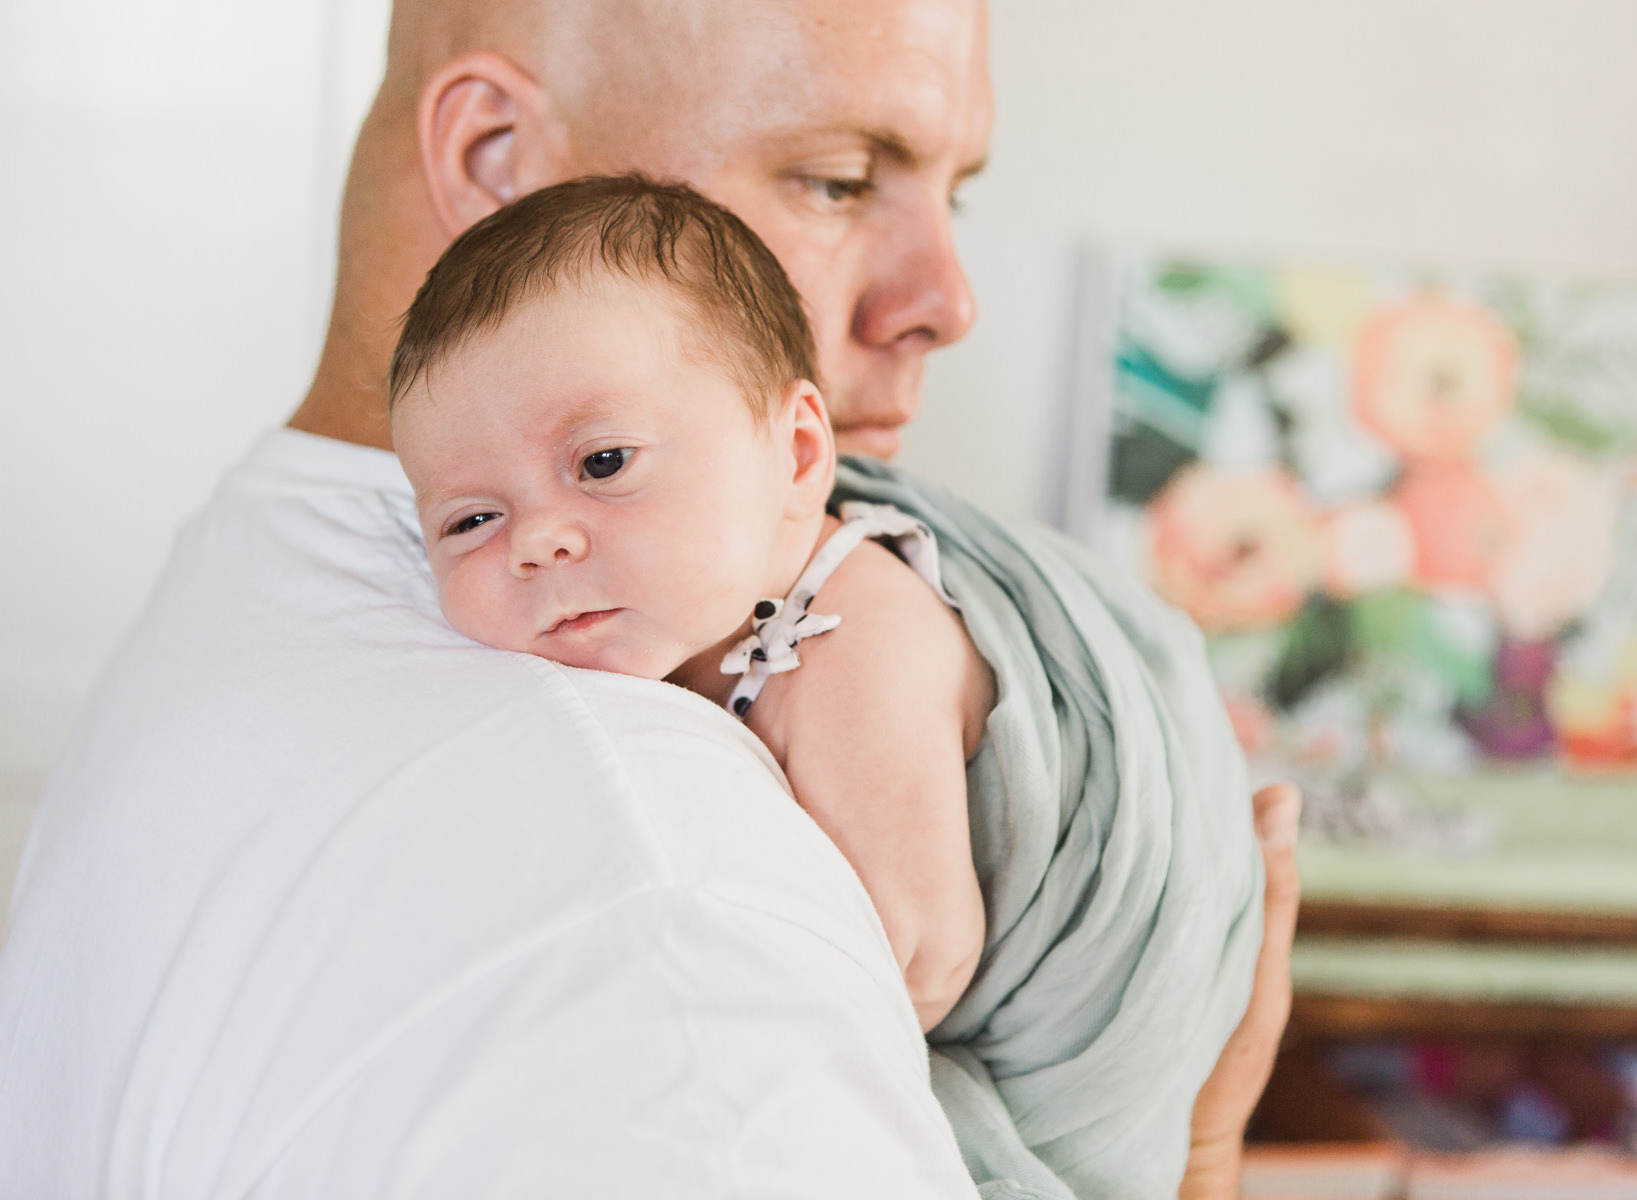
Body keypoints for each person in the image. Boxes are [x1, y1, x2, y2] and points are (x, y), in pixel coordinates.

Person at [0, 1, 1301, 1195]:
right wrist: (1196, 1164)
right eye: (840, 179)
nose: (948, 303)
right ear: (498, 155)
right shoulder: (672, 896)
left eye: (955, 193)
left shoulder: (237, 583)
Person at [390, 177, 992, 1034]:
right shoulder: (677, 613)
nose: (534, 542)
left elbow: (924, 957)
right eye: (472, 519)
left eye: (602, 464)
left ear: (795, 456)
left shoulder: (859, 651)